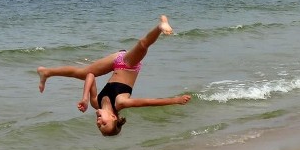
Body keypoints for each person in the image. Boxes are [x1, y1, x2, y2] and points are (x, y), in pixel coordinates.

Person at [37, 15, 191, 136]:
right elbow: (148, 102)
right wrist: (175, 100)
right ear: (114, 118)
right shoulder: (121, 103)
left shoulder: (95, 104)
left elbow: (90, 76)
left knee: (82, 72)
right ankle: (160, 25)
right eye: (104, 124)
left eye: (99, 126)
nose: (98, 123)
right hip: (129, 64)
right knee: (143, 45)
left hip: (115, 62)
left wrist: (84, 97)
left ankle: (47, 72)